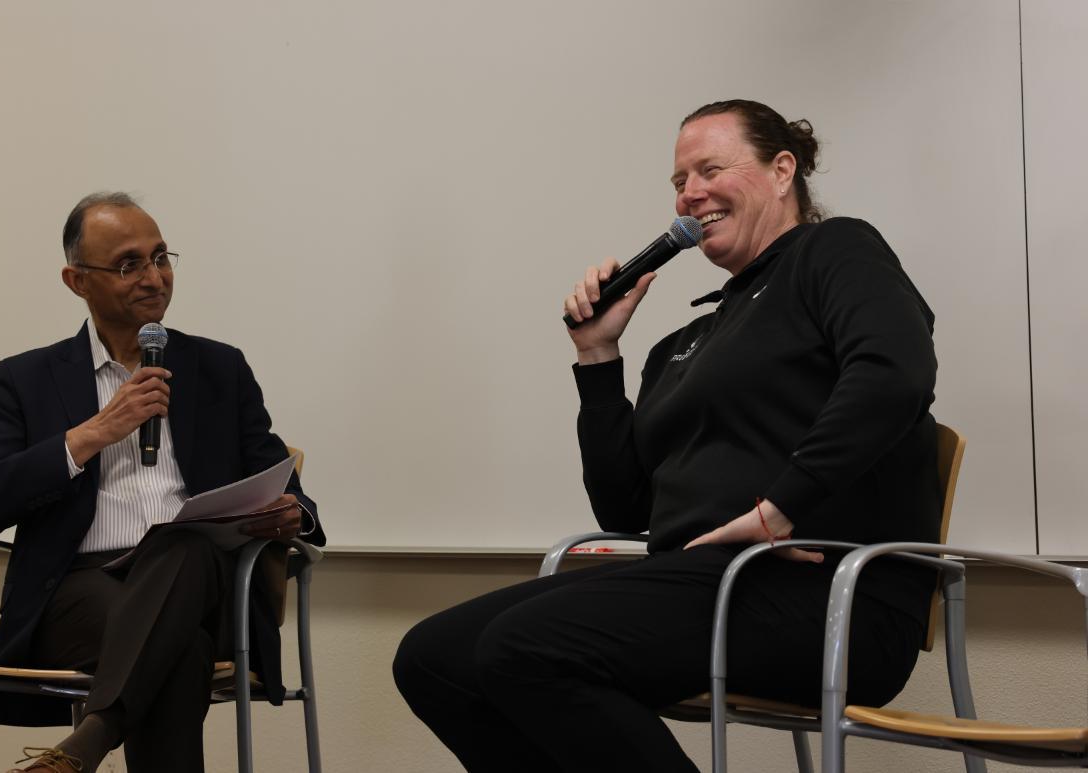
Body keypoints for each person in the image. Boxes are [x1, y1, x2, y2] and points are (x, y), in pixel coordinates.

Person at [393, 99, 941, 772]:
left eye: (710, 167)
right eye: (680, 180)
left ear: (781, 170)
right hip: (698, 582)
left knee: (524, 648)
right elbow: (626, 510)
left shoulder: (835, 251)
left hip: (826, 595)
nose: (691, 192)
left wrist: (779, 509)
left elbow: (896, 372)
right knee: (433, 658)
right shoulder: (685, 343)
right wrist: (597, 357)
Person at [0, 192, 324, 773]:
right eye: (130, 265)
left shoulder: (220, 368)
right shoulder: (24, 379)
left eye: (161, 257)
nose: (155, 278)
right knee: (181, 650)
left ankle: (87, 744)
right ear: (77, 281)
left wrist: (291, 513)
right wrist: (90, 435)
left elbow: (290, 488)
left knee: (184, 548)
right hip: (78, 593)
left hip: (206, 584)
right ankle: (96, 739)